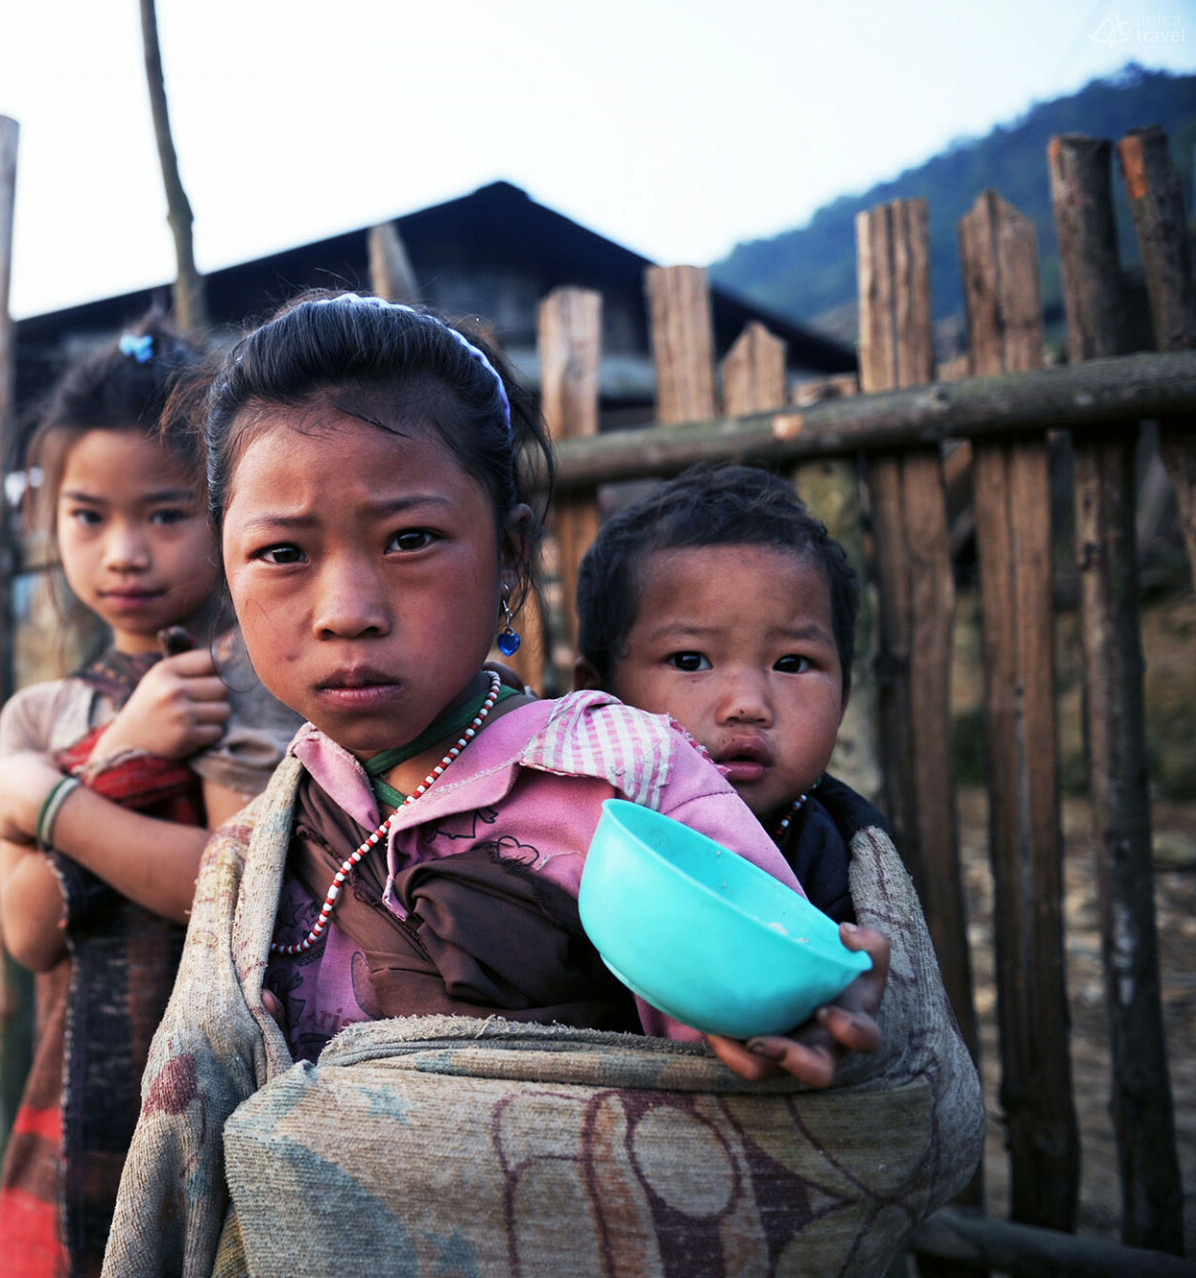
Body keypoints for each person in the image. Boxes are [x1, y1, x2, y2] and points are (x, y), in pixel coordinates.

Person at [102, 293, 982, 1278]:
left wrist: (788, 1021)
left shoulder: (624, 777)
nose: (347, 610)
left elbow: (742, 1061)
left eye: (409, 540)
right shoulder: (262, 842)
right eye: (281, 555)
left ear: (511, 553)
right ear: (227, 572)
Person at [0, 320, 301, 1278]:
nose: (123, 553)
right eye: (88, 517)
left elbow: (237, 891)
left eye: (165, 515)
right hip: (73, 1100)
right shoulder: (39, 714)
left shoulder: (253, 678)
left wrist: (48, 806)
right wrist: (125, 745)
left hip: (231, 1093)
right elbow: (30, 929)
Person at [574, 463, 883, 927]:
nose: (747, 705)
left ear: (842, 701)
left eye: (792, 664)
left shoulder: (844, 868)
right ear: (597, 692)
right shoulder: (555, 834)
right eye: (691, 661)